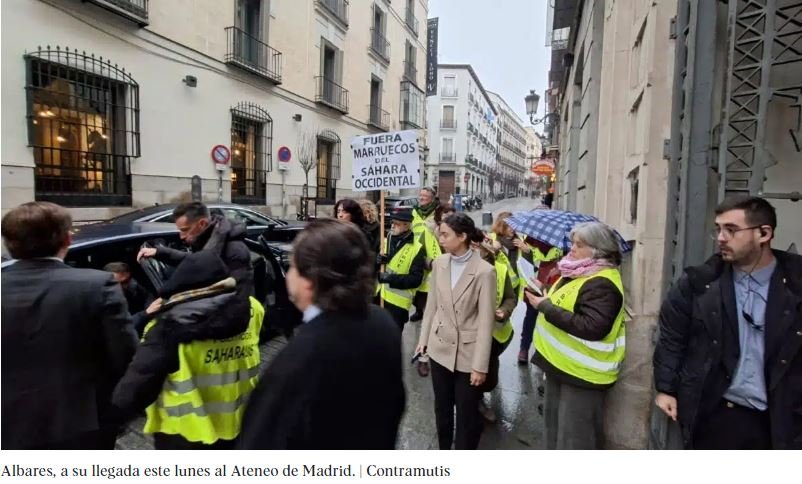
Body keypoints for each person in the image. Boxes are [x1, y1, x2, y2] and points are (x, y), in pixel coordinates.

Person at [238, 219, 406, 449]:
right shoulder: (382, 322)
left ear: (310, 281)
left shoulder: (298, 360)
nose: (288, 276)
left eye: (293, 267)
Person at [654, 196, 802, 449]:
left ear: (764, 233)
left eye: (731, 230)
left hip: (783, 416)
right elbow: (672, 337)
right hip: (718, 413)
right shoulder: (699, 283)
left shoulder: (796, 283)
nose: (721, 238)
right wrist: (666, 388)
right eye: (718, 229)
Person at [1, 202, 138, 449]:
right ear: (67, 239)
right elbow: (125, 355)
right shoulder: (97, 285)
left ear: (9, 244)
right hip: (80, 421)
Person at [112, 251, 262, 449]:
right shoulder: (254, 308)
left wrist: (110, 418)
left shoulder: (165, 328)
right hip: (239, 420)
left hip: (184, 433)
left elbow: (136, 389)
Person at [524, 221, 625, 449]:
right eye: (573, 243)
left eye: (579, 245)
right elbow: (568, 302)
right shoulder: (577, 270)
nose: (572, 249)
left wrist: (545, 307)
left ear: (597, 250)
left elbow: (592, 326)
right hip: (560, 366)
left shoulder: (602, 283)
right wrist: (545, 291)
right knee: (554, 430)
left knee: (574, 440)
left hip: (583, 376)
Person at [416, 213, 496, 450]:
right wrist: (423, 342)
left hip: (468, 356)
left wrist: (480, 365)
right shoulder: (440, 263)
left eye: (444, 234)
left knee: (466, 414)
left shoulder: (484, 271)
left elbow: (486, 321)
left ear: (462, 237)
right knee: (442, 408)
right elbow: (431, 305)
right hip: (440, 348)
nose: (439, 239)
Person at [137, 202, 252, 339]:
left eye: (185, 230)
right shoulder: (212, 241)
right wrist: (159, 252)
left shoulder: (234, 250)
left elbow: (239, 299)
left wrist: (194, 330)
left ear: (202, 224)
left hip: (222, 337)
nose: (181, 236)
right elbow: (194, 261)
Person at [474, 240, 517, 423]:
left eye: (477, 247)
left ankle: (480, 393)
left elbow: (510, 297)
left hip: (493, 333)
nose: (473, 250)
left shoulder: (500, 269)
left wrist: (504, 311)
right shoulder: (460, 267)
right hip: (469, 333)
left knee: (490, 377)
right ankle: (476, 401)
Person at [377, 211, 426, 332]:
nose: (392, 226)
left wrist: (389, 278)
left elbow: (415, 280)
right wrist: (377, 260)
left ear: (406, 226)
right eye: (392, 223)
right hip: (379, 297)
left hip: (398, 305)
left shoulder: (417, 249)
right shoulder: (385, 241)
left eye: (397, 224)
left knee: (392, 339)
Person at [411, 187, 440, 322]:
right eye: (420, 195)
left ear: (432, 198)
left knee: (431, 285)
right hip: (416, 251)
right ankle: (418, 310)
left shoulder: (438, 212)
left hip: (434, 252)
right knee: (417, 283)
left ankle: (432, 312)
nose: (421, 198)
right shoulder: (415, 211)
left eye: (425, 196)